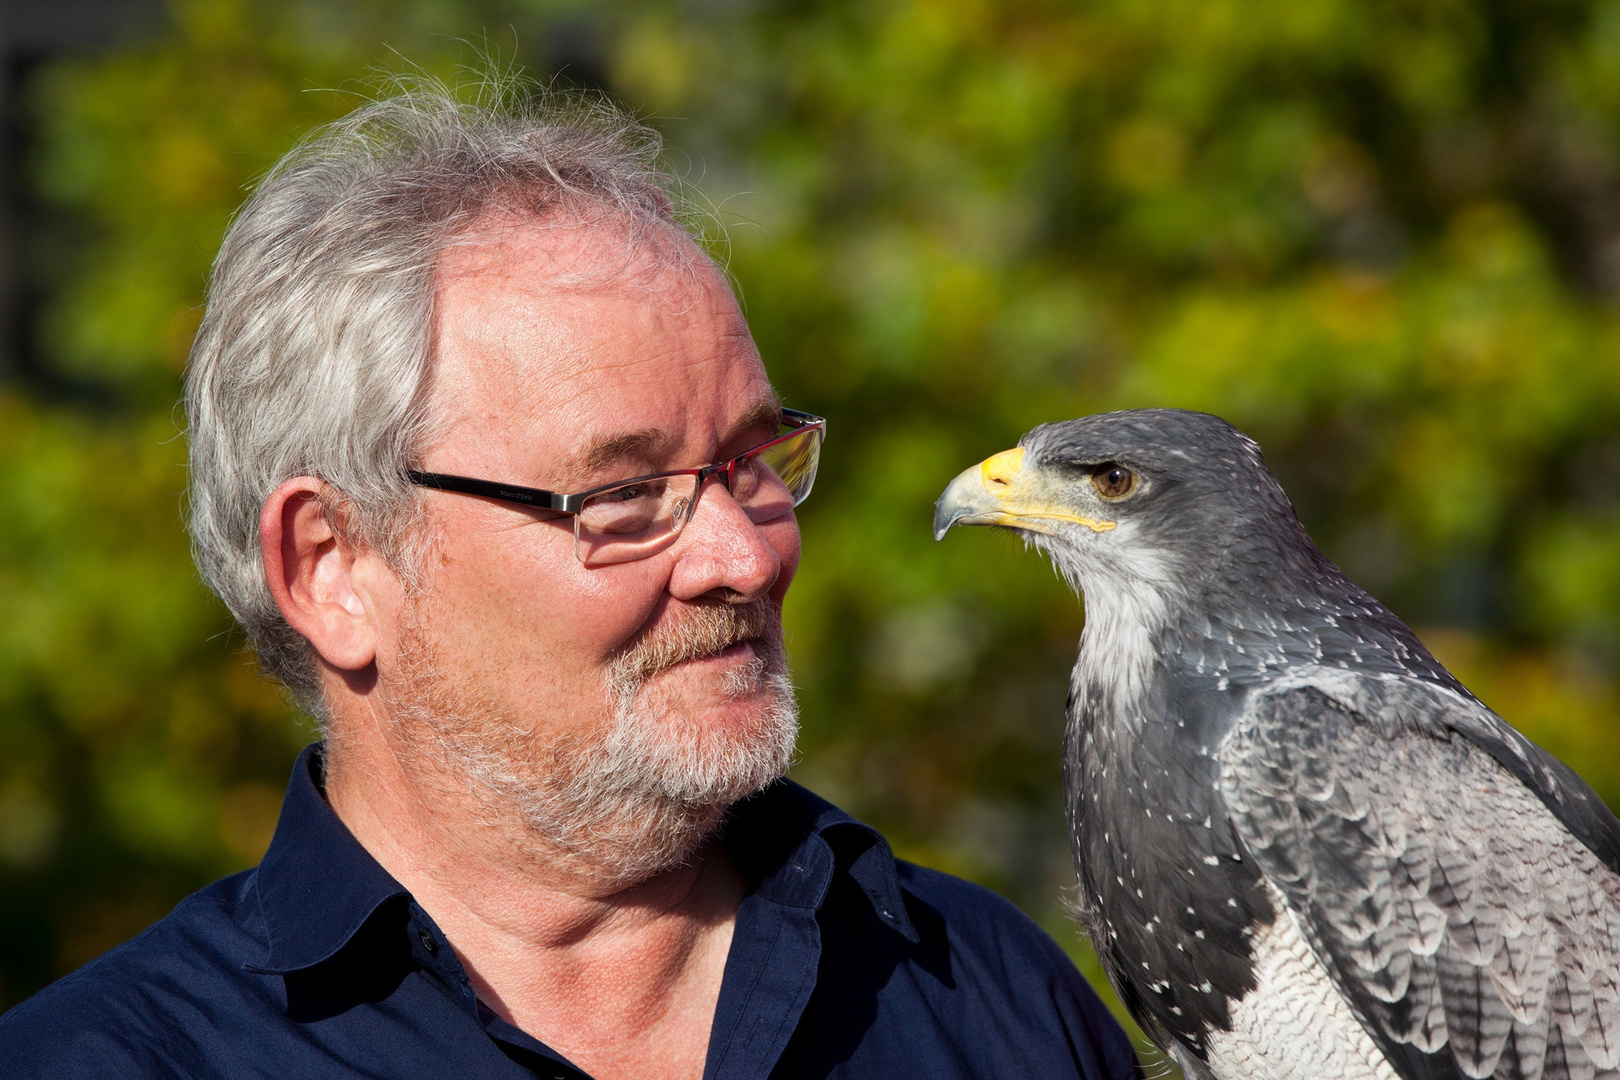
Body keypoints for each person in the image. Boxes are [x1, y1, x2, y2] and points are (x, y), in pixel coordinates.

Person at [0, 78, 1140, 1080]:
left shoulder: (988, 1000)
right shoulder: (115, 1062)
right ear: (332, 568)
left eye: (752, 462)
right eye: (621, 495)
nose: (743, 555)